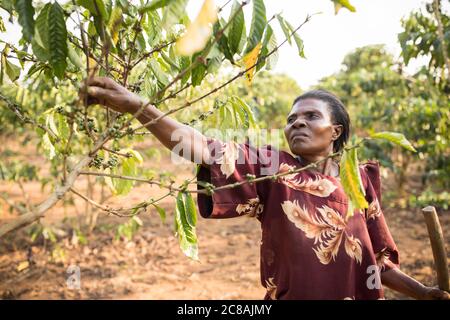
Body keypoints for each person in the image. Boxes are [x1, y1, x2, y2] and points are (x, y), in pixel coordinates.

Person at [82, 77, 449, 300]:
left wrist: (423, 292)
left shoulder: (360, 181)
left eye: (311, 117)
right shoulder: (273, 169)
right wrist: (138, 107)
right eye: (291, 120)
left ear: (335, 132)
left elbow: (375, 265)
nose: (297, 124)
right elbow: (202, 147)